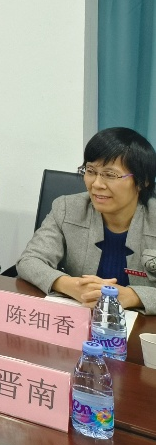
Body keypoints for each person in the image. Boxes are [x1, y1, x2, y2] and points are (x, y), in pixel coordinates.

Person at [17, 127, 156, 314]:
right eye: (90, 171)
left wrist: (132, 296)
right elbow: (29, 261)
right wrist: (70, 285)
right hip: (80, 319)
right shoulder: (67, 208)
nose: (97, 184)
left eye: (110, 175)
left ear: (143, 181)